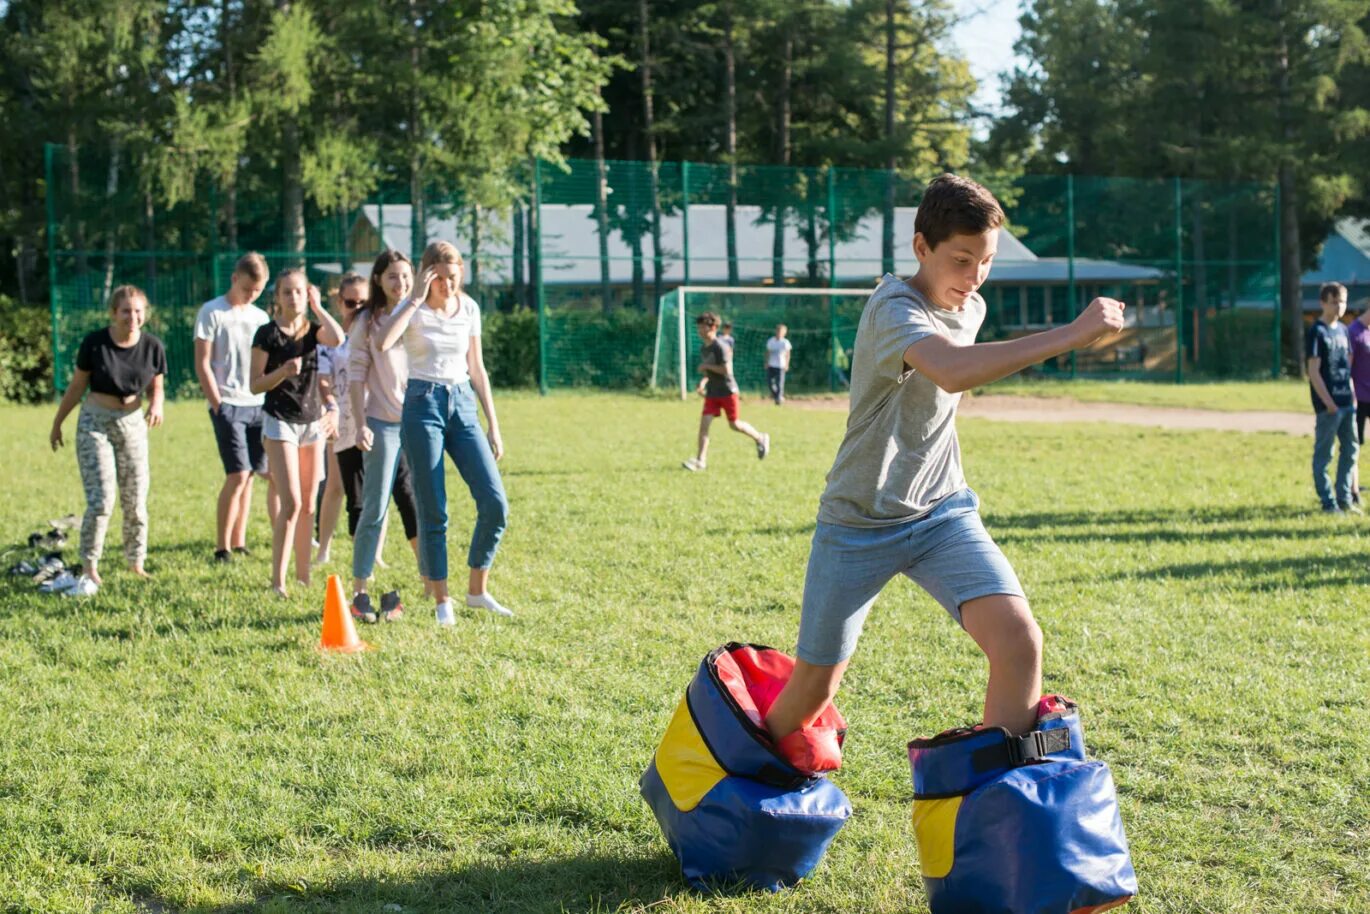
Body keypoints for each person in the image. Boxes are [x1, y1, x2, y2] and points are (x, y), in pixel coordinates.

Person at [759, 174, 1126, 766]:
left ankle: (999, 812)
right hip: (859, 523)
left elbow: (959, 371)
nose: (975, 276)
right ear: (921, 247)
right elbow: (950, 371)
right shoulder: (892, 308)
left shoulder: (972, 306)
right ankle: (734, 783)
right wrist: (1072, 335)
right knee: (815, 688)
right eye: (961, 259)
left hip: (941, 514)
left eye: (986, 261)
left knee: (1019, 642)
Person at [375, 241, 511, 624]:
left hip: (463, 403)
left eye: (455, 277)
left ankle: (477, 590)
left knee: (495, 503)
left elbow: (478, 368)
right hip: (423, 405)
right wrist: (415, 298)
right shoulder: (413, 309)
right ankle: (442, 601)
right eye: (441, 278)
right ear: (427, 275)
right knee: (434, 509)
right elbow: (383, 342)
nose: (449, 285)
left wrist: (493, 424)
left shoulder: (468, 308)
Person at [48, 285, 166, 595]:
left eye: (138, 311)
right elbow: (76, 387)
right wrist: (58, 422)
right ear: (113, 313)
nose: (133, 317)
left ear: (145, 313)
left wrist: (156, 404)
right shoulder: (95, 343)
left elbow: (157, 385)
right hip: (95, 421)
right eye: (125, 311)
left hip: (132, 423)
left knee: (136, 500)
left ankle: (136, 561)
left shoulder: (153, 346)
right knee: (101, 501)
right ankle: (90, 565)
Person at [249, 269, 345, 597]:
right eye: (287, 292)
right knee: (291, 503)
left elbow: (339, 339)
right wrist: (283, 371)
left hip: (312, 423)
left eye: (299, 292)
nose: (293, 298)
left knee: (308, 507)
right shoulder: (266, 334)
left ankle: (303, 577)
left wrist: (318, 309)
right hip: (280, 422)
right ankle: (278, 582)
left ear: (308, 296)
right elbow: (255, 383)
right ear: (276, 297)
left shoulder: (314, 332)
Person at [348, 250, 427, 623]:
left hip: (422, 423)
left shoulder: (421, 314)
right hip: (382, 425)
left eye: (406, 276)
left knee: (425, 504)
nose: (401, 283)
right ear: (378, 279)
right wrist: (360, 422)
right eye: (393, 276)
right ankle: (360, 590)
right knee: (375, 507)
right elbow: (356, 375)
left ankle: (433, 583)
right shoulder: (367, 321)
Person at [194, 252, 276, 562]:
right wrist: (218, 404)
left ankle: (239, 541)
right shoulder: (212, 312)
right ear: (234, 279)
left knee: (253, 474)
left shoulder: (260, 318)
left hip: (258, 405)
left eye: (257, 291)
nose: (251, 295)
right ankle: (222, 547)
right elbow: (202, 363)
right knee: (237, 474)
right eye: (247, 289)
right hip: (228, 404)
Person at [314, 273, 369, 566]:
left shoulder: (373, 332)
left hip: (370, 415)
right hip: (339, 418)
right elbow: (323, 380)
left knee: (374, 486)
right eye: (350, 302)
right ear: (339, 302)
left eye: (363, 302)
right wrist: (330, 405)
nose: (357, 308)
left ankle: (375, 552)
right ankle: (324, 548)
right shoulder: (327, 339)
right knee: (335, 486)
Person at [681, 312, 769, 472]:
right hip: (712, 393)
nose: (700, 331)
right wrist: (703, 382)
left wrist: (706, 367)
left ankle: (760, 437)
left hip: (728, 391)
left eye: (703, 327)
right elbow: (710, 373)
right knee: (704, 426)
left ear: (713, 327)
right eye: (698, 327)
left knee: (734, 424)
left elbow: (726, 370)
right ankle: (701, 461)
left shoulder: (721, 346)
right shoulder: (704, 348)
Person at [1307, 282, 1360, 514]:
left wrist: (1353, 395)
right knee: (1325, 455)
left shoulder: (1343, 330)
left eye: (1342, 301)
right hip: (1329, 406)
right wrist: (1327, 402)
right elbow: (1313, 371)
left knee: (1351, 450)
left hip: (1347, 402)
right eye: (1334, 302)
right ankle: (1328, 503)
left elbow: (1346, 368)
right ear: (1323, 303)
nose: (1339, 306)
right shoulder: (1317, 332)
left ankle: (1345, 499)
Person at [1345, 300, 1370, 504]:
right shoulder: (1353, 331)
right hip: (1359, 398)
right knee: (1355, 445)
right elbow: (1347, 367)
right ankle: (1353, 490)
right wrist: (1351, 394)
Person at [765, 323, 793, 405]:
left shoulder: (785, 342)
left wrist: (787, 364)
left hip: (781, 365)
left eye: (781, 331)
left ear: (784, 333)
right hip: (771, 365)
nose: (779, 333)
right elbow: (768, 352)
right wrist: (767, 362)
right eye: (778, 331)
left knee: (779, 383)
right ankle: (777, 396)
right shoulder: (771, 341)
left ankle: (778, 400)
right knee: (770, 383)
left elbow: (788, 354)